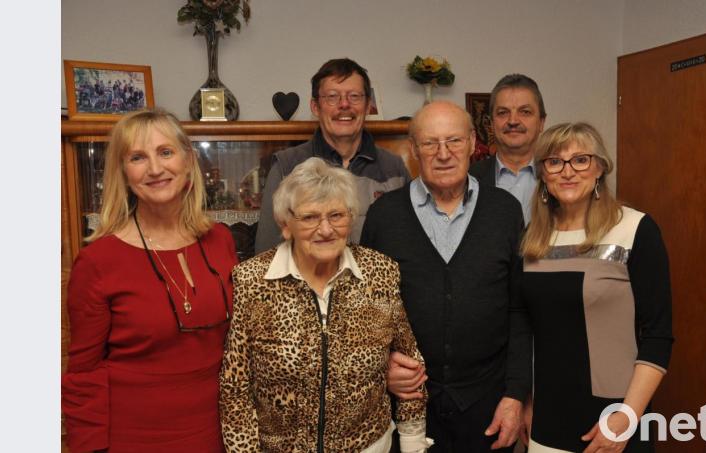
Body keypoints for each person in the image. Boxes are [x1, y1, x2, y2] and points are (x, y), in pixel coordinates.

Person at [219, 158, 431, 453]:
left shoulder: (379, 272)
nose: (326, 229)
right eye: (310, 217)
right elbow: (235, 386)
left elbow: (410, 365)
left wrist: (413, 443)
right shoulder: (252, 280)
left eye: (336, 215)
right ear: (286, 225)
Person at [62, 108, 238, 452]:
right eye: (138, 157)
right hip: (135, 437)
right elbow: (83, 374)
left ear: (188, 160)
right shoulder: (98, 261)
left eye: (165, 152)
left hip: (218, 432)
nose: (155, 169)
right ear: (123, 173)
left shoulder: (220, 240)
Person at [361, 101, 531, 452]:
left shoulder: (504, 211)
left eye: (454, 140)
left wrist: (515, 395)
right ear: (413, 149)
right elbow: (365, 314)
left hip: (489, 405)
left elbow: (520, 310)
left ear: (472, 143)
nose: (443, 154)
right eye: (430, 143)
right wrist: (382, 367)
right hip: (406, 406)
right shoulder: (384, 216)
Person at [520, 122, 673, 452]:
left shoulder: (635, 229)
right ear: (543, 173)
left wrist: (626, 418)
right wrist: (525, 401)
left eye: (581, 160)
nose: (567, 171)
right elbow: (524, 328)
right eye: (554, 162)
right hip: (547, 417)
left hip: (614, 416)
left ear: (600, 167)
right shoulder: (531, 238)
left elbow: (658, 335)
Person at [254, 58, 410, 253]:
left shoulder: (394, 169)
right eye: (332, 97)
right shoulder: (286, 167)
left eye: (354, 96)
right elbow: (267, 253)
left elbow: (407, 244)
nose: (344, 104)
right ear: (315, 107)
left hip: (377, 274)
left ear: (368, 105)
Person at [470, 74, 547, 222]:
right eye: (503, 113)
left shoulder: (560, 176)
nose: (513, 121)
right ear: (491, 124)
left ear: (541, 122)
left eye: (525, 112)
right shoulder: (469, 179)